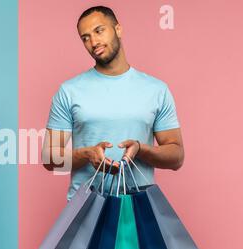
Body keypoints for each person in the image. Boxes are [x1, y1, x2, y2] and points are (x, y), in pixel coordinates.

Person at [42, 6, 184, 199]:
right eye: (85, 37)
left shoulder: (156, 90)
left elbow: (176, 157)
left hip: (137, 209)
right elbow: (50, 159)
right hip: (86, 209)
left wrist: (141, 149)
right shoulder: (68, 91)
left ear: (118, 29)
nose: (93, 42)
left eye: (99, 31)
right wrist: (86, 155)